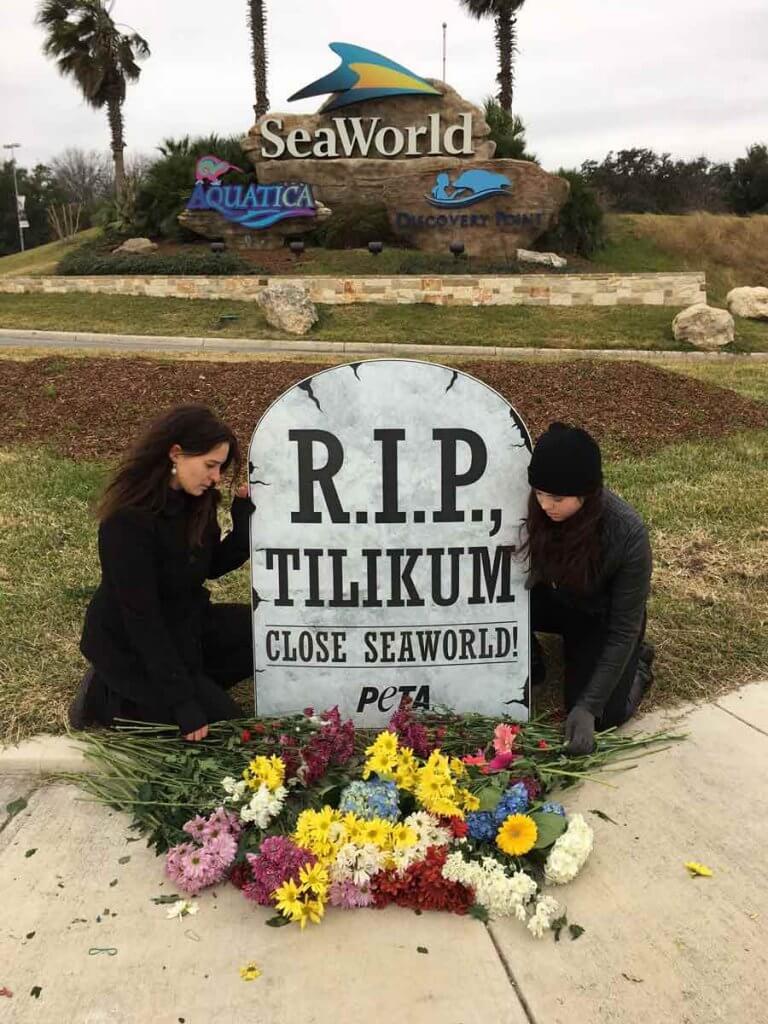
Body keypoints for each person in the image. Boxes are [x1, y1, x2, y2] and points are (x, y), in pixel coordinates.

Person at [70, 405, 253, 741]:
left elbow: (208, 565)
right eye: (210, 465)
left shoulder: (198, 500)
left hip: (186, 624)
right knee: (226, 729)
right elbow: (142, 620)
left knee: (261, 633)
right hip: (133, 642)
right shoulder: (127, 521)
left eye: (220, 468)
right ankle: (106, 694)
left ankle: (194, 681)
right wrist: (183, 702)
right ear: (176, 454)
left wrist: (244, 525)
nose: (216, 477)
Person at [521, 422, 655, 755]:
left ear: (587, 493)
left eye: (557, 497)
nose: (545, 504)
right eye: (538, 492)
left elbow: (624, 628)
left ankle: (638, 666)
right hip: (557, 597)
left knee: (604, 715)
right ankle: (532, 653)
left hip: (601, 614)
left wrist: (590, 706)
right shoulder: (537, 510)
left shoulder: (627, 534)